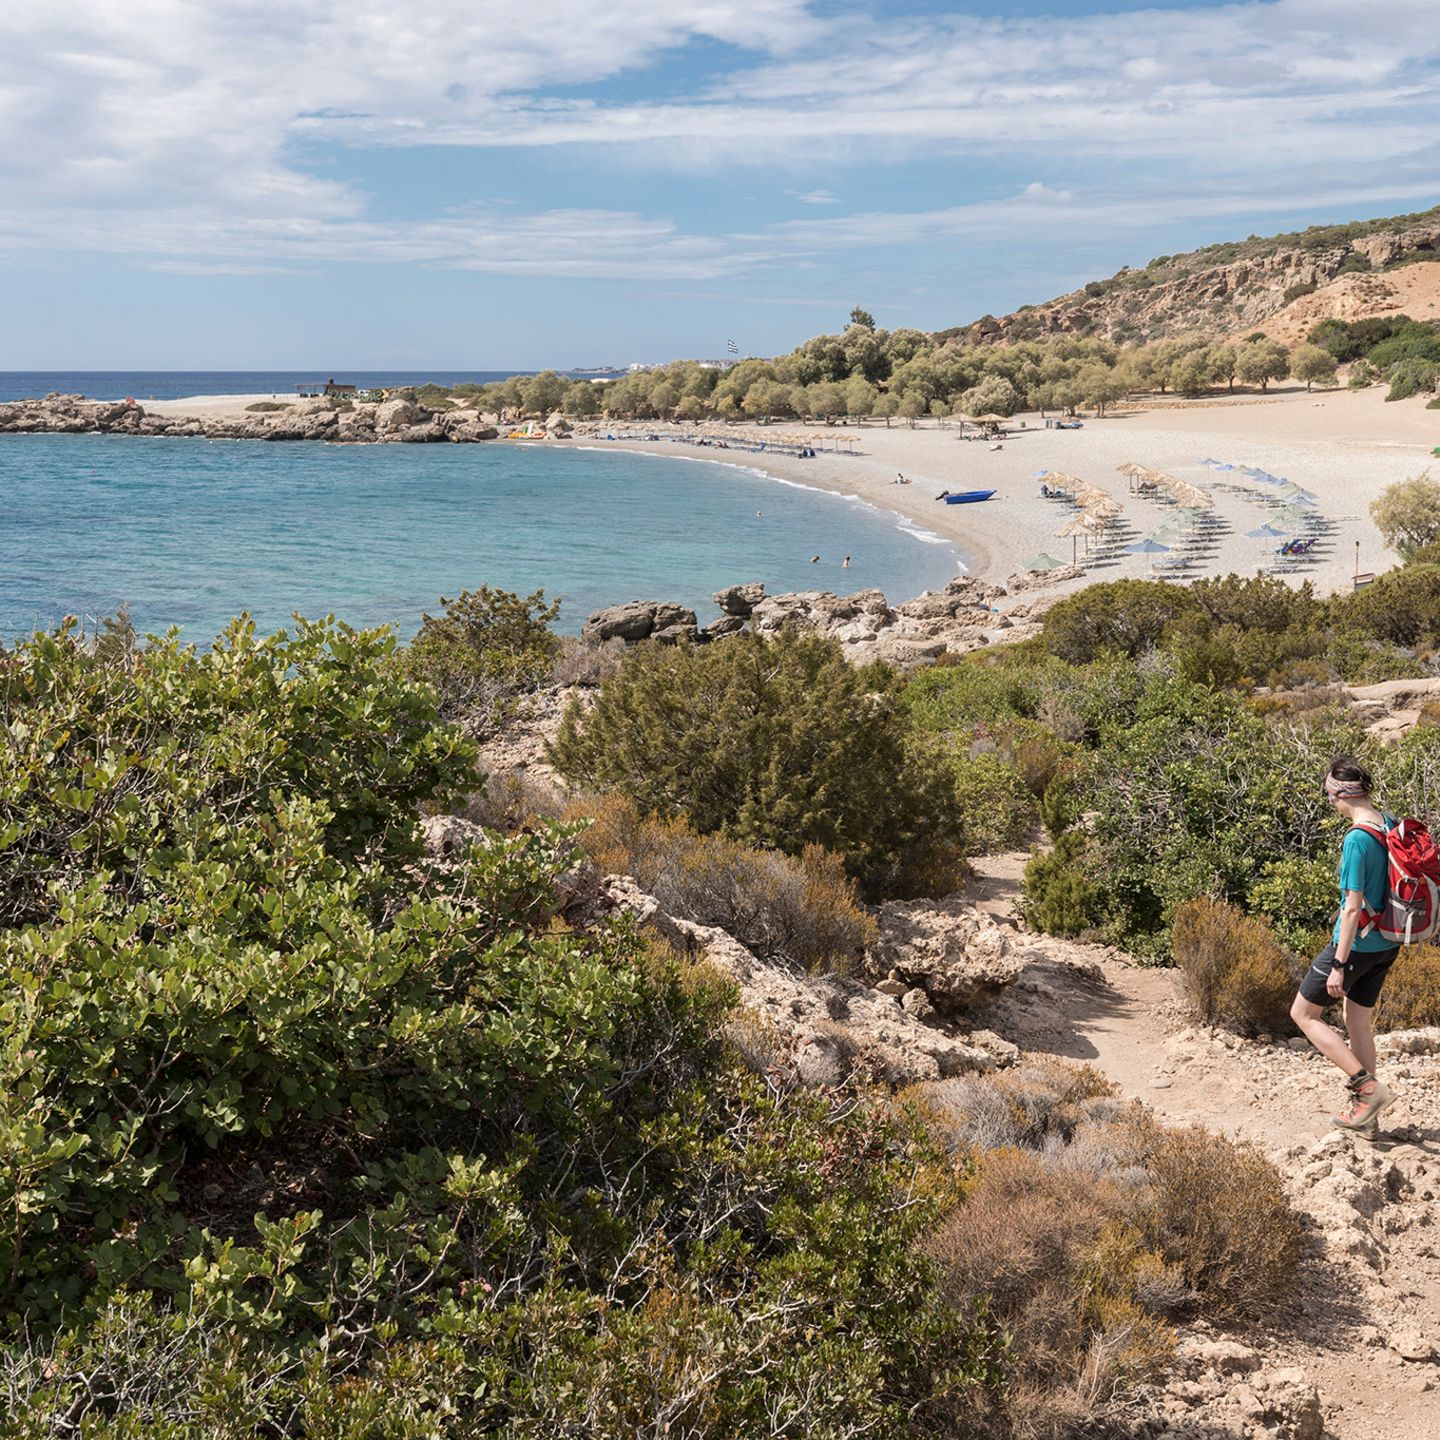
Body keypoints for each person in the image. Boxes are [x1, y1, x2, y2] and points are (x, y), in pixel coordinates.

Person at [1289, 758, 1398, 1134]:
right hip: (1388, 941)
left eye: (1328, 794)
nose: (1329, 801)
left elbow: (1351, 908)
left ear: (1341, 794)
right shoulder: (1389, 823)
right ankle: (1368, 1118)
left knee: (1303, 1015)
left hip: (1357, 946)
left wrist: (1338, 963)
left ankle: (1368, 1090)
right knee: (1358, 1024)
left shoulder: (1356, 838)